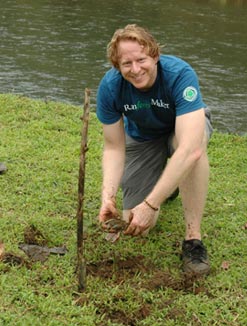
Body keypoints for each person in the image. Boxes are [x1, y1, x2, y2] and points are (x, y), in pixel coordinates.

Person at [96, 24, 213, 275]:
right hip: (144, 137)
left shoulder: (179, 74)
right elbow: (114, 148)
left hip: (181, 132)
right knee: (136, 226)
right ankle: (169, 186)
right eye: (126, 63)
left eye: (141, 59)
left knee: (193, 153)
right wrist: (108, 196)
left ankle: (193, 239)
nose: (136, 69)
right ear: (117, 66)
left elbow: (189, 149)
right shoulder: (110, 87)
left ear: (155, 55)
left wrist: (150, 205)